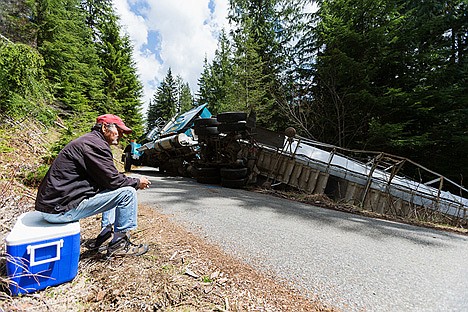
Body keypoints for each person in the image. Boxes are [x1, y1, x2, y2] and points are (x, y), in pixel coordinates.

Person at [35, 114, 151, 258]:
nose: (121, 135)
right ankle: (119, 244)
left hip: (54, 205)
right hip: (59, 209)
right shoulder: (95, 145)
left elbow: (108, 180)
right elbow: (114, 180)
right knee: (128, 193)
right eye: (118, 130)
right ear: (104, 127)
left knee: (114, 188)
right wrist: (138, 182)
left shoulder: (90, 141)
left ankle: (105, 233)